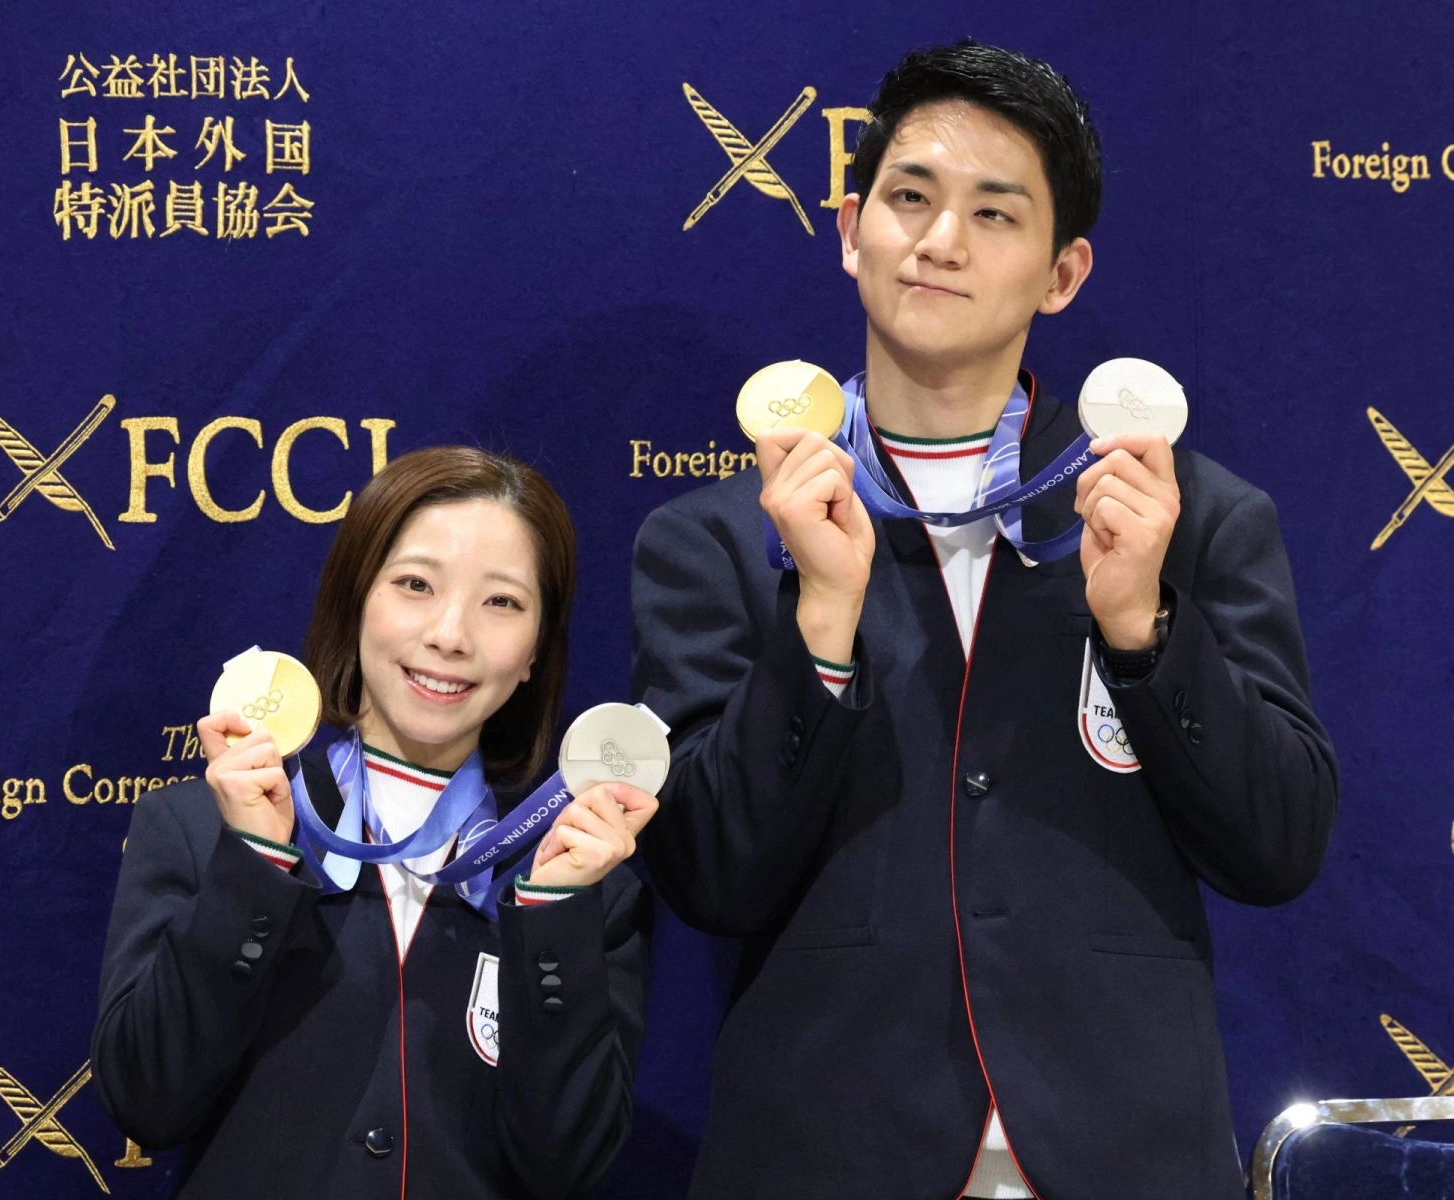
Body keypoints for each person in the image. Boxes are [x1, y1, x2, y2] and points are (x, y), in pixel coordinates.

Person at [632, 38, 1337, 1200]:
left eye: (995, 214)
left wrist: (1146, 629)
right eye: (910, 198)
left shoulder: (1186, 514)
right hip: (825, 1152)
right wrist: (818, 620)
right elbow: (713, 877)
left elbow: (1280, 845)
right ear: (851, 225)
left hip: (1122, 1152)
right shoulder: (717, 539)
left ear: (1062, 274)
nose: (941, 240)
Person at [94, 446, 656, 1199]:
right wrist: (254, 863)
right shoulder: (199, 826)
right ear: (354, 598)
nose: (451, 635)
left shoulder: (581, 878)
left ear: (533, 655)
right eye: (416, 585)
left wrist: (553, 916)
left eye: (503, 602)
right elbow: (146, 1100)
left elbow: (568, 1166)